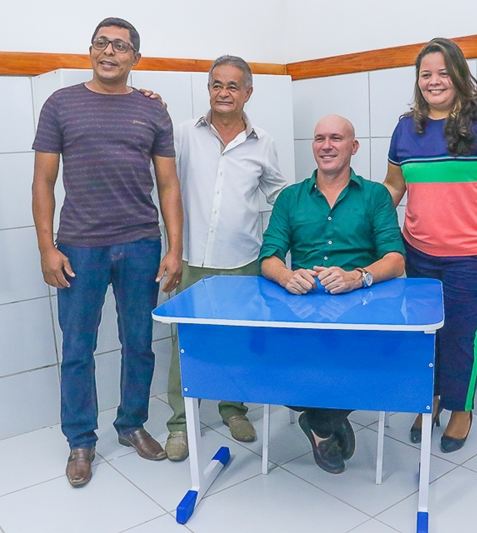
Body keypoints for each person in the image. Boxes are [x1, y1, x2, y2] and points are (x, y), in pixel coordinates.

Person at [31, 17, 184, 487]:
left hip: (140, 242)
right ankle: (81, 440)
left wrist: (175, 248)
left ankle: (132, 424)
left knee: (139, 342)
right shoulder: (60, 104)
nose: (109, 52)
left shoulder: (153, 110)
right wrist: (46, 248)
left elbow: (168, 184)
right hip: (79, 245)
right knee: (78, 347)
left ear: (135, 58)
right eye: (102, 43)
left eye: (120, 46)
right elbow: (43, 181)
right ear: (90, 50)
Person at [383, 38, 477, 453]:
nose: (434, 81)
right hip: (418, 253)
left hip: (474, 256)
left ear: (460, 75)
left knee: (461, 336)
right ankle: (428, 400)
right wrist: (368, 226)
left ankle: (461, 409)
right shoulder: (406, 128)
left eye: (443, 72)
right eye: (426, 74)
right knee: (425, 335)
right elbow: (394, 186)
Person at [259, 114, 405, 474]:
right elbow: (269, 257)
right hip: (302, 307)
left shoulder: (375, 196)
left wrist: (358, 277)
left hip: (363, 307)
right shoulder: (290, 198)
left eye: (336, 138)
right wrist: (286, 276)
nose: (327, 146)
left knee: (377, 363)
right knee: (275, 362)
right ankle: (328, 422)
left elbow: (396, 259)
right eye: (320, 138)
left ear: (353, 147)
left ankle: (321, 424)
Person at [163, 55, 288, 461]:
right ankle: (181, 424)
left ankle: (234, 409)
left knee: (239, 343)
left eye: (233, 86)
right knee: (187, 345)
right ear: (208, 89)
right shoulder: (183, 134)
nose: (224, 92)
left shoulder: (262, 142)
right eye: (217, 84)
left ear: (248, 92)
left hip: (243, 261)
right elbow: (164, 187)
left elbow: (277, 194)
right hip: (192, 259)